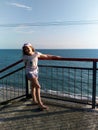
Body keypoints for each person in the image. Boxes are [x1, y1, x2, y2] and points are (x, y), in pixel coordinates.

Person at [22, 43, 60, 110]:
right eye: (25, 48)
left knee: (33, 86)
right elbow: (25, 65)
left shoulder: (36, 53)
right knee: (38, 86)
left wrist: (55, 56)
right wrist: (27, 74)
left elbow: (46, 56)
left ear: (31, 47)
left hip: (36, 71)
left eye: (27, 47)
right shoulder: (25, 56)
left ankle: (34, 101)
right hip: (29, 72)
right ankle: (40, 104)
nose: (26, 49)